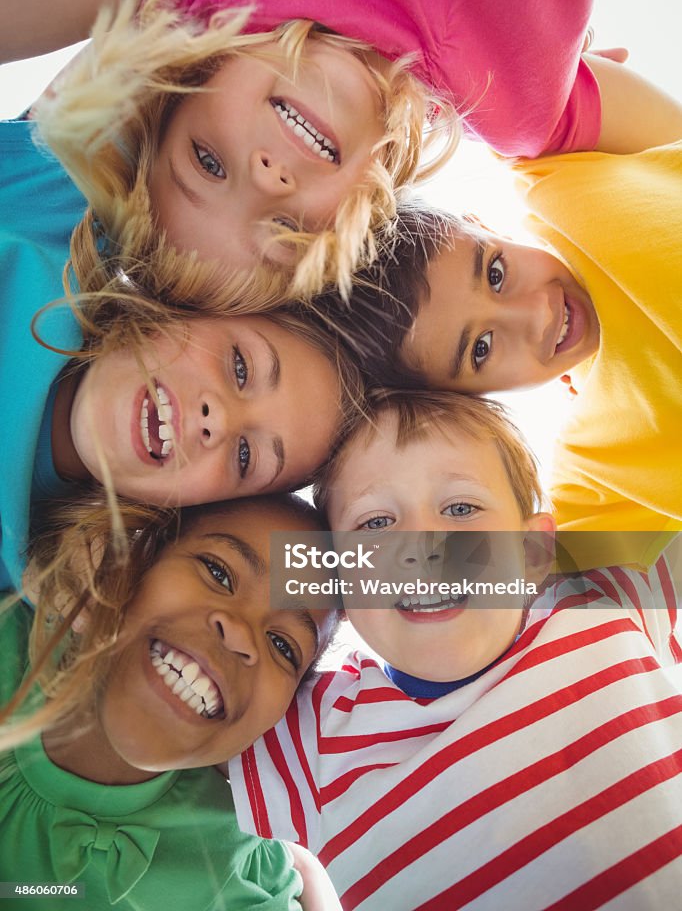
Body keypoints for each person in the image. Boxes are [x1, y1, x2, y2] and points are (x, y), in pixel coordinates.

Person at [1, 0, 645, 294]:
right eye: (284, 229)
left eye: (207, 162)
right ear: (353, 217)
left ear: (186, 80)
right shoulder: (516, 110)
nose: (266, 178)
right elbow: (665, 148)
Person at [225, 391, 682, 910]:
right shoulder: (310, 733)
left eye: (460, 508)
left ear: (532, 552)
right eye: (375, 523)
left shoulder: (605, 605)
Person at [308, 69, 682, 548]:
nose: (538, 314)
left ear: (478, 223)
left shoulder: (559, 173)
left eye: (496, 273)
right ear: (470, 398)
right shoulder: (603, 466)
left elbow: (518, 70)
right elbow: (515, 589)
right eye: (481, 348)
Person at [0, 126, 364, 591]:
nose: (218, 422)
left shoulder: (30, 570)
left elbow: (477, 571)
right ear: (188, 308)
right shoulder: (67, 209)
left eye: (246, 456)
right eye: (240, 367)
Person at [0, 492, 343, 910]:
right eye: (218, 572)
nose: (238, 633)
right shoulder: (11, 633)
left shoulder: (226, 862)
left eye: (283, 646)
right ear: (134, 556)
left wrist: (307, 873)